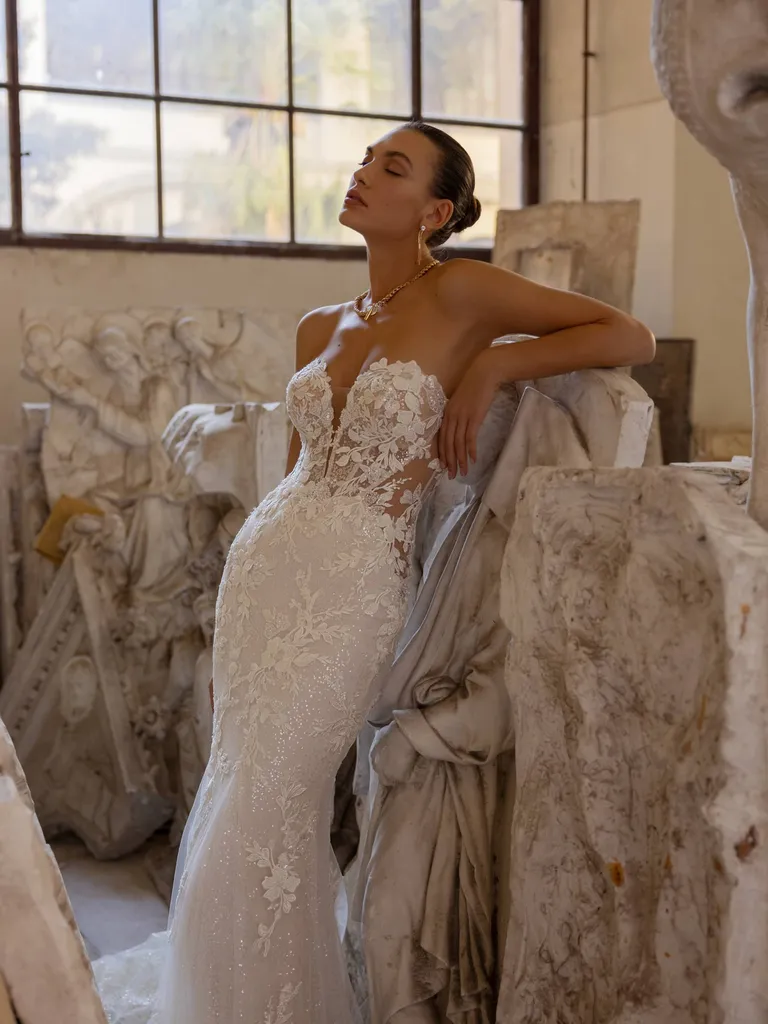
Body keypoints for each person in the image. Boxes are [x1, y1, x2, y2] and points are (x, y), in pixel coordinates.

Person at [95, 120, 654, 1024]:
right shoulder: (322, 323)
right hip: (267, 568)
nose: (363, 173)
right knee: (237, 783)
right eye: (364, 159)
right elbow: (294, 470)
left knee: (276, 801)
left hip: (356, 579)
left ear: (435, 210)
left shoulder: (465, 292)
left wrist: (499, 362)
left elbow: (629, 335)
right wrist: (233, 601)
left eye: (391, 166)